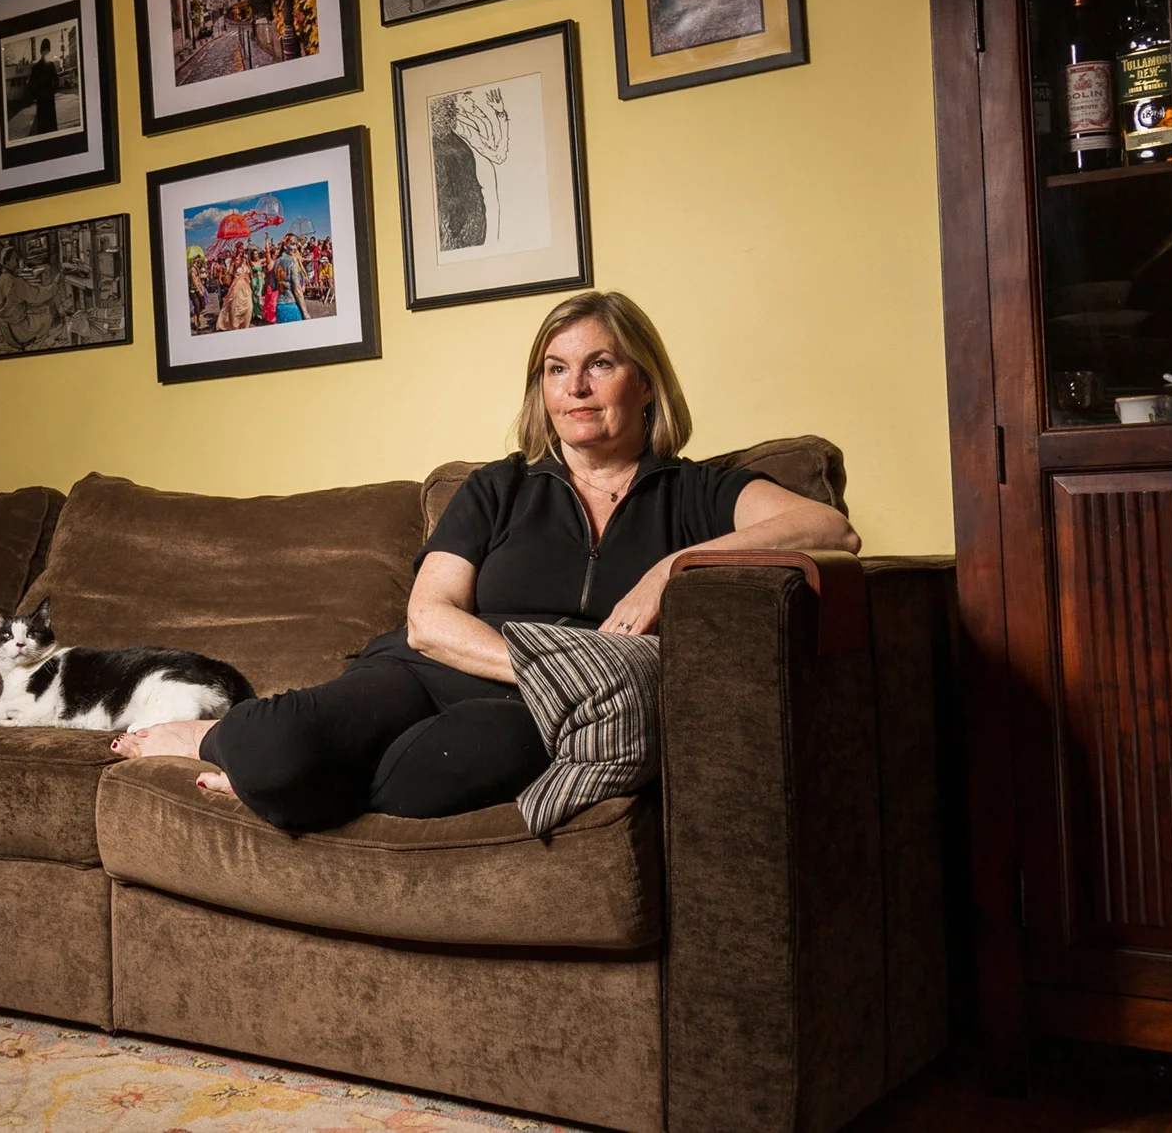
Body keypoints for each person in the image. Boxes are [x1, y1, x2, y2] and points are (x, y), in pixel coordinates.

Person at [109, 290, 861, 831]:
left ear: (646, 381)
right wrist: (546, 663)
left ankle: (289, 788)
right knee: (273, 744)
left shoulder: (695, 492)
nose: (576, 387)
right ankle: (218, 743)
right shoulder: (498, 487)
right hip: (424, 672)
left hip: (530, 711)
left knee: (443, 766)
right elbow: (429, 621)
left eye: (601, 363)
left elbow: (827, 527)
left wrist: (675, 567)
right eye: (556, 369)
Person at [23, 37, 62, 136]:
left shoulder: (39, 67)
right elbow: (56, 82)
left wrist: (38, 95)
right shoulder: (45, 66)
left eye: (46, 50)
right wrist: (50, 92)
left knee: (45, 129)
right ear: (42, 51)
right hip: (47, 100)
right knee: (49, 129)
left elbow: (56, 81)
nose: (46, 52)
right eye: (45, 49)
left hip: (44, 101)